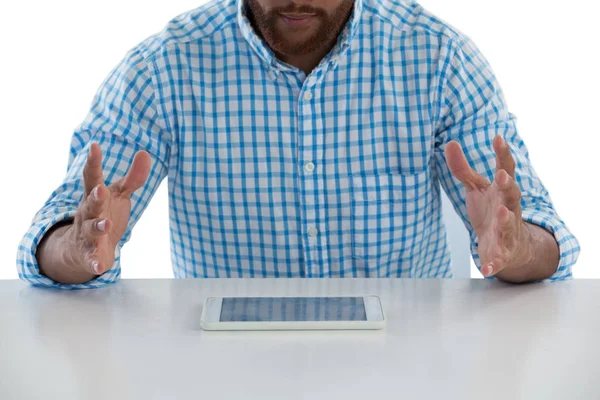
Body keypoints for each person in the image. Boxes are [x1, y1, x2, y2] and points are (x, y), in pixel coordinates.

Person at [17, 0, 579, 289]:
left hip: (411, 369)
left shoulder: (438, 58)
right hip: (223, 371)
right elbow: (51, 242)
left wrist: (516, 247)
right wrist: (79, 248)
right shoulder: (163, 68)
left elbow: (541, 240)